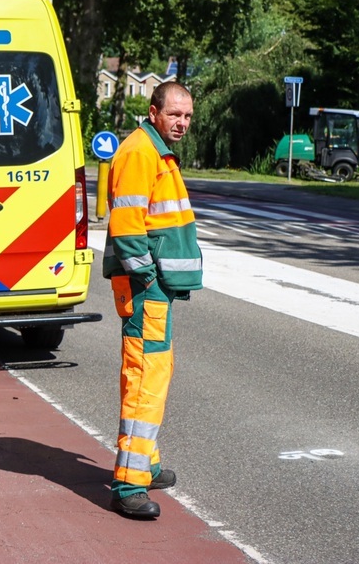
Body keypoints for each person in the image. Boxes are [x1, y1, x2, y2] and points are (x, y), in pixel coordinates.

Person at [102, 81, 203, 520]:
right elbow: (127, 228)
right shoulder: (143, 152)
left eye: (187, 116)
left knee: (151, 372)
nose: (181, 123)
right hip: (147, 287)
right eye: (175, 114)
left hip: (152, 285)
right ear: (154, 111)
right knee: (147, 377)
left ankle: (148, 462)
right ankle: (129, 483)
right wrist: (146, 278)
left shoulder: (153, 149)